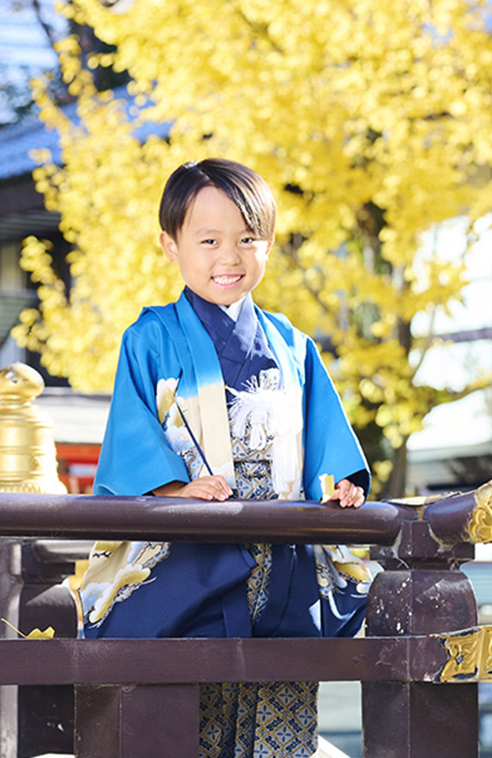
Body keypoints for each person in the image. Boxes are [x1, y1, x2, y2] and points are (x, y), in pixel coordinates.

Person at [78, 158, 372, 758]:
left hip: (284, 554)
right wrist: (172, 490)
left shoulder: (293, 344)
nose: (229, 258)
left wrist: (340, 483)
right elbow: (132, 439)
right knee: (192, 711)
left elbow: (326, 439)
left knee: (281, 705)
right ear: (171, 245)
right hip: (196, 556)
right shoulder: (150, 337)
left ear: (268, 243)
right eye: (208, 240)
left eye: (247, 239)